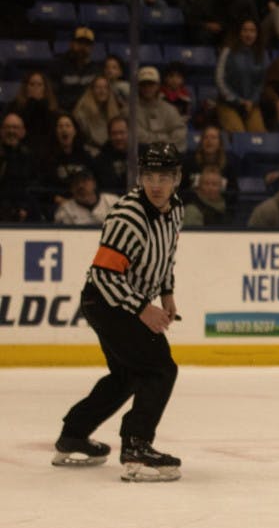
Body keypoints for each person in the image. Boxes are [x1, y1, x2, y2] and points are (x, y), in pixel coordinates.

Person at [52, 143, 185, 482]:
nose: (156, 184)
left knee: (127, 376)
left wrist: (167, 292)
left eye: (164, 177)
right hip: (108, 302)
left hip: (124, 303)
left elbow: (166, 255)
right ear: (140, 177)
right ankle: (137, 444)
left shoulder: (176, 210)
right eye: (150, 176)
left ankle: (73, 435)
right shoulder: (128, 216)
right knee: (159, 369)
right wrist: (142, 309)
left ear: (177, 179)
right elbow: (104, 275)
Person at [215, 19, 269, 133]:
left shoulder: (263, 54)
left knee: (258, 136)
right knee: (238, 134)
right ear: (239, 32)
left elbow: (263, 82)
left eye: (252, 31)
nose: (248, 34)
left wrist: (252, 101)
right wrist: (237, 100)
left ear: (257, 34)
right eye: (245, 30)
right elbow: (219, 79)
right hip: (228, 104)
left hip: (251, 105)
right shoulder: (227, 51)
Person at [134, 67, 188, 152]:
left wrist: (156, 140)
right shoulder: (130, 111)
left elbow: (180, 133)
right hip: (141, 156)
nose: (147, 88)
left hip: (168, 155)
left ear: (158, 85)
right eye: (144, 84)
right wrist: (165, 138)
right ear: (139, 87)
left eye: (151, 84)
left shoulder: (170, 109)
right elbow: (138, 136)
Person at [48, 26, 103, 111]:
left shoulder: (95, 69)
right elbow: (53, 94)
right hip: (64, 112)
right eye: (80, 43)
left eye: (87, 44)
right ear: (71, 44)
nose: (83, 47)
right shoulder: (59, 65)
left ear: (91, 47)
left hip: (88, 112)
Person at [73, 76, 125, 154]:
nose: (102, 91)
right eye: (98, 87)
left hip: (111, 150)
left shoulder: (114, 112)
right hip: (90, 151)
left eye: (105, 88)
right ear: (91, 90)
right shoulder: (81, 114)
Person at [53, 168, 119, 226]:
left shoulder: (112, 201)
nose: (80, 186)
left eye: (84, 181)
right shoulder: (65, 210)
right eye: (76, 182)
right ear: (71, 188)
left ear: (94, 184)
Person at [93, 116, 130, 194]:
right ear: (109, 136)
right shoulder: (100, 160)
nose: (118, 137)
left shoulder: (143, 153)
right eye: (114, 133)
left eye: (122, 132)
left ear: (129, 133)